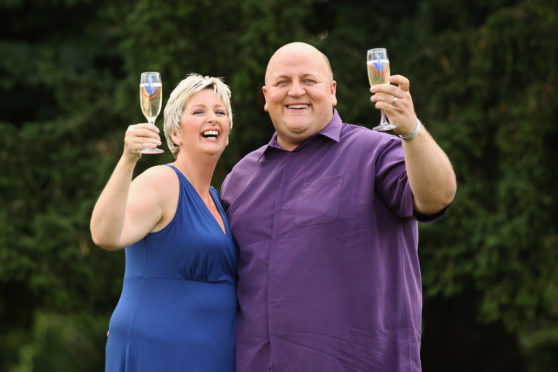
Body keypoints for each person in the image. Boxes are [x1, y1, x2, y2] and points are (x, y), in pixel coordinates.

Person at [220, 42, 457, 371]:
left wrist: (412, 131)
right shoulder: (240, 178)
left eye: (309, 80)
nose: (296, 91)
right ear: (266, 96)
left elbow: (436, 197)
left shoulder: (375, 152)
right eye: (282, 82)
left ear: (332, 92)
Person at [90, 74, 238, 372]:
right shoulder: (163, 182)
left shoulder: (216, 199)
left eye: (220, 112)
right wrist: (128, 159)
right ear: (174, 134)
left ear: (228, 129)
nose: (212, 118)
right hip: (161, 350)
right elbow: (106, 234)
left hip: (213, 353)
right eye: (198, 112)